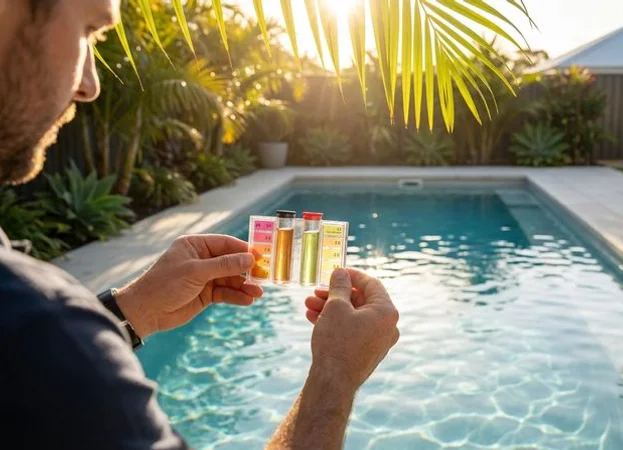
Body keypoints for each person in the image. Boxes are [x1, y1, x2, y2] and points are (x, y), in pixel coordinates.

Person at [0, 0, 400, 448]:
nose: (91, 84)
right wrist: (336, 375)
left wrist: (133, 311)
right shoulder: (36, 326)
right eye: (88, 31)